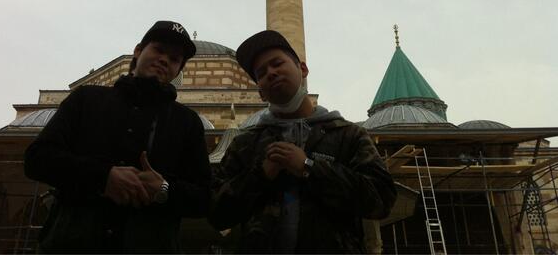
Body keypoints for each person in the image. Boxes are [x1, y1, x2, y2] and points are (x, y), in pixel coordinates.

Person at [24, 21, 211, 253]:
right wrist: (103, 177)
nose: (164, 60)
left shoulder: (187, 122)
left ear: (178, 71)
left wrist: (164, 189)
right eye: (159, 50)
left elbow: (205, 197)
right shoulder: (86, 99)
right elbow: (37, 159)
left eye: (174, 59)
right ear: (138, 51)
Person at [209, 30, 396, 253]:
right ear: (260, 92)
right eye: (261, 73)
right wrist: (262, 174)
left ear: (303, 69)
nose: (271, 73)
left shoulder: (347, 135)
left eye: (277, 63)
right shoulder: (246, 144)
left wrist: (309, 168)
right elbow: (216, 214)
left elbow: (382, 200)